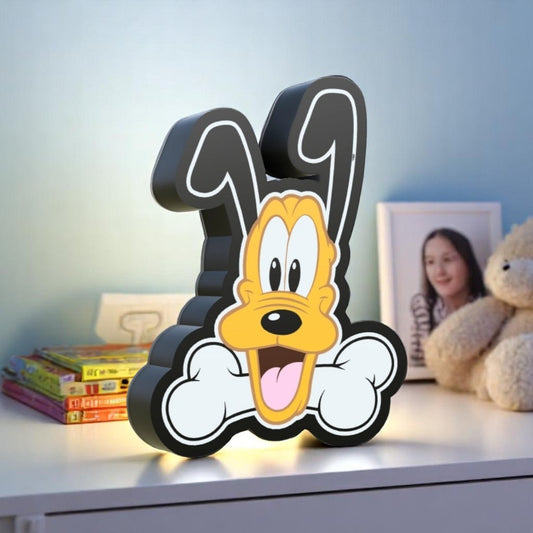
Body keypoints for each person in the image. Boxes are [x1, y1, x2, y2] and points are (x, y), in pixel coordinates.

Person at [410, 228, 486, 366]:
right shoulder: (423, 307)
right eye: (430, 262)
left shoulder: (488, 309)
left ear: (468, 263)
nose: (439, 271)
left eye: (447, 259)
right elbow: (418, 365)